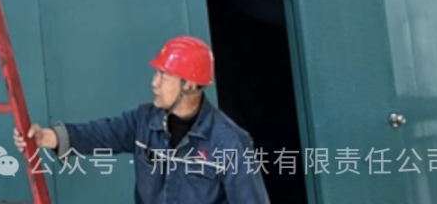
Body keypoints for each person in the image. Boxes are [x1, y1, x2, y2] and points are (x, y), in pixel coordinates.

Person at [13, 35, 270, 204]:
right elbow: (101, 135)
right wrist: (47, 137)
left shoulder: (229, 143)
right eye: (156, 74)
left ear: (190, 85)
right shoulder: (144, 121)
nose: (154, 83)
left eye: (164, 76)